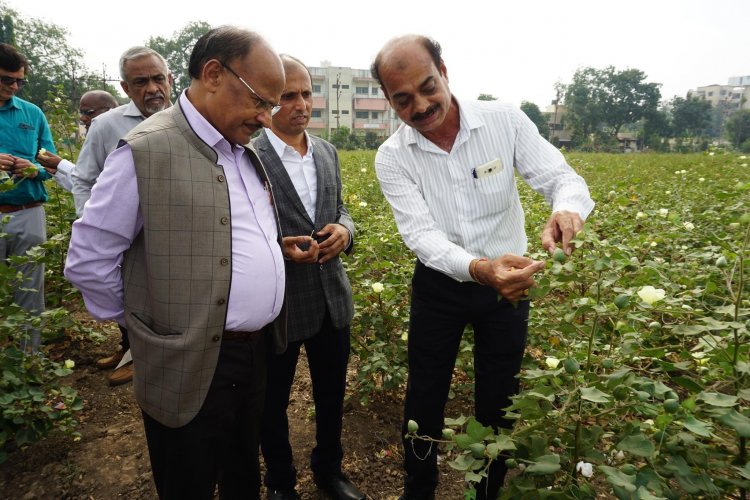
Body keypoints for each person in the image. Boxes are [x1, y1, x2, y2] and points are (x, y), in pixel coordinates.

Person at [65, 26, 318, 499]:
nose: (267, 118)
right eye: (261, 101)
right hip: (188, 357)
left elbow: (220, 229)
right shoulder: (147, 150)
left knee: (243, 469)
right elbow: (89, 260)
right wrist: (152, 328)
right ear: (214, 74)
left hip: (254, 351)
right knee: (189, 477)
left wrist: (269, 252)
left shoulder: (241, 149)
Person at [370, 35, 595, 499]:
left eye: (428, 86)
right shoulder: (393, 157)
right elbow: (422, 237)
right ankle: (419, 490)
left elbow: (560, 178)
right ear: (390, 103)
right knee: (425, 395)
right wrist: (478, 268)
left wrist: (566, 210)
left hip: (508, 288)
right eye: (403, 99)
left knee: (499, 397)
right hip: (440, 285)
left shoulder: (503, 120)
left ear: (444, 71)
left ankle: (487, 492)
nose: (422, 105)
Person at [254, 55, 365, 500]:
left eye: (305, 93)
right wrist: (274, 251)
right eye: (287, 96)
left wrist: (346, 230)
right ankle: (280, 482)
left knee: (331, 394)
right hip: (278, 302)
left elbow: (339, 211)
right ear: (266, 101)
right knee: (272, 401)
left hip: (330, 298)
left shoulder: (326, 151)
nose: (300, 104)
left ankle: (329, 470)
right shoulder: (249, 155)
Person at [71, 46, 173, 386]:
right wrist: (96, 226)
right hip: (125, 240)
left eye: (158, 79)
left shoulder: (190, 122)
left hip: (173, 237)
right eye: (140, 82)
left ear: (170, 80)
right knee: (127, 295)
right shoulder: (106, 126)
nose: (152, 89)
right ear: (125, 88)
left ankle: (146, 354)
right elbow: (84, 179)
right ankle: (132, 350)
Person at [0, 43, 56, 353]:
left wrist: (35, 168)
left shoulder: (31, 113)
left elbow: (50, 160)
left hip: (28, 211)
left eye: (19, 81)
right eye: (6, 79)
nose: (14, 87)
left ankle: (27, 361)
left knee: (30, 290)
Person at [36, 90, 118, 191]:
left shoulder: (120, 142)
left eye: (89, 113)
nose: (82, 118)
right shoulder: (96, 140)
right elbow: (84, 186)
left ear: (109, 111)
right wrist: (57, 171)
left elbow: (101, 186)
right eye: (81, 113)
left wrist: (60, 164)